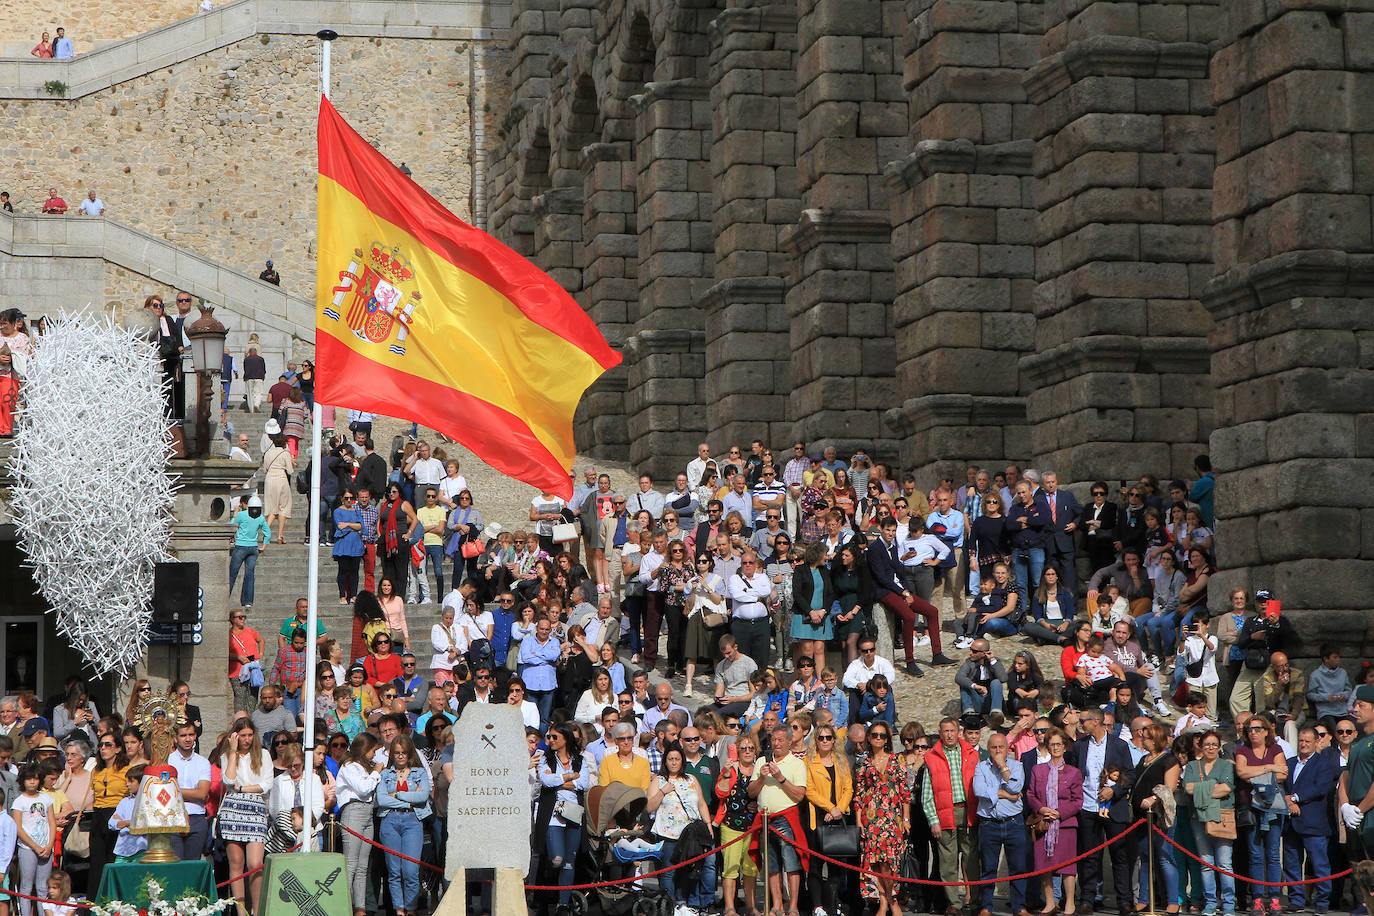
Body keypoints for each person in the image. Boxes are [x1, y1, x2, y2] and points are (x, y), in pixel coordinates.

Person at [1074, 707, 1137, 915]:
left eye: (1084, 720)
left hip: (1113, 808)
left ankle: (1124, 901)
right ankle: (1087, 899)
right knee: (1090, 856)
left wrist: (1115, 790)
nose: (1080, 724)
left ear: (1096, 722)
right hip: (1088, 807)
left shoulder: (1119, 745)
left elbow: (1130, 774)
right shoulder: (1080, 745)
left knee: (1119, 855)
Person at [646, 741, 714, 914]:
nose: (674, 762)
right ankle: (670, 905)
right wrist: (663, 791)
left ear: (682, 761)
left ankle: (685, 904)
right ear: (665, 761)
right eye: (670, 759)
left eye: (677, 758)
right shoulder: (659, 781)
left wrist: (708, 826)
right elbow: (649, 807)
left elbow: (701, 805)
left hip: (690, 834)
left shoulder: (692, 779)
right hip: (668, 834)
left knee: (689, 870)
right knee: (668, 872)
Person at [922, 717, 979, 915]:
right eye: (945, 731)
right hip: (945, 812)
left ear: (959, 732)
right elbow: (927, 795)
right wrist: (933, 821)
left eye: (952, 730)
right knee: (948, 862)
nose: (949, 734)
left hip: (968, 811)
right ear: (940, 733)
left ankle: (976, 899)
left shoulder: (972, 754)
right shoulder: (931, 757)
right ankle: (954, 902)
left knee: (972, 858)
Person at [749, 725, 808, 916]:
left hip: (785, 818)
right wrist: (762, 778)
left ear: (790, 741)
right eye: (774, 739)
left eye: (781, 740)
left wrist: (780, 778)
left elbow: (799, 795)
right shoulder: (761, 762)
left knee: (791, 864)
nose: (776, 743)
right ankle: (777, 905)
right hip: (765, 818)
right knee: (771, 865)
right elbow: (751, 792)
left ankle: (793, 906)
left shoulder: (796, 764)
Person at [1236, 713, 1289, 914]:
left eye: (1258, 729)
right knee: (1255, 854)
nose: (1254, 733)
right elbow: (1241, 773)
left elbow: (1283, 774)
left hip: (1272, 806)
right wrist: (1268, 767)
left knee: (1273, 854)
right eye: (1250, 729)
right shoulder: (1242, 750)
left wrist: (1255, 772)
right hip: (1249, 806)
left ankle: (1274, 898)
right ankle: (1258, 898)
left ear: (1266, 731)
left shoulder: (1276, 748)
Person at [855, 721, 909, 916]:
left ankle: (891, 901)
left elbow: (905, 792)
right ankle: (884, 902)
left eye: (882, 735)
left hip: (891, 817)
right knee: (875, 862)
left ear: (887, 739)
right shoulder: (864, 763)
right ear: (869, 738)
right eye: (875, 735)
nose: (878, 738)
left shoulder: (897, 760)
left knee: (888, 861)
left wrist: (906, 818)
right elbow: (859, 793)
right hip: (870, 818)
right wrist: (858, 820)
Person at [1028, 727, 1083, 916]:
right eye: (1052, 744)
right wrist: (1042, 810)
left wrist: (1059, 813)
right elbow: (1031, 794)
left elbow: (1078, 801)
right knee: (1045, 865)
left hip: (1065, 824)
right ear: (1047, 746)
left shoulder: (1073, 772)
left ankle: (1069, 903)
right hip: (1043, 823)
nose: (1056, 747)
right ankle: (1050, 902)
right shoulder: (1038, 770)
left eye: (1059, 744)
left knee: (1068, 866)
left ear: (1065, 746)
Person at [973, 732, 1029, 916]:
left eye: (1001, 747)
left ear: (1007, 748)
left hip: (1014, 823)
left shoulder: (1017, 765)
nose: (997, 751)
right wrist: (1004, 795)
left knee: (1018, 867)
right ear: (988, 749)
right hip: (990, 824)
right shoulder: (981, 768)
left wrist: (1003, 767)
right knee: (988, 867)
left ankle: (1019, 907)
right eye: (994, 747)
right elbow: (979, 790)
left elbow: (1015, 787)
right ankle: (986, 907)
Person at [1281, 726, 1335, 914]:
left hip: (1314, 823)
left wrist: (1295, 798)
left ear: (1316, 742)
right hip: (1291, 824)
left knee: (1319, 864)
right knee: (1292, 864)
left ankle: (1322, 902)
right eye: (1301, 741)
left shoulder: (1324, 764)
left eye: (1307, 741)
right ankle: (1296, 900)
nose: (1303, 744)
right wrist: (1288, 800)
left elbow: (1321, 788)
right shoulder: (1288, 763)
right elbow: (1281, 786)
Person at [803, 721, 852, 916]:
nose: (825, 741)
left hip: (838, 817)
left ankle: (832, 905)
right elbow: (810, 790)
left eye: (828, 738)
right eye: (821, 737)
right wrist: (830, 807)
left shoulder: (841, 760)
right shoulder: (809, 761)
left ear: (834, 740)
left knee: (836, 865)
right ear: (816, 740)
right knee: (815, 865)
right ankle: (817, 906)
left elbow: (848, 787)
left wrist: (839, 808)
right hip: (819, 817)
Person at [378, 736, 431, 916]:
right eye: (397, 753)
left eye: (404, 753)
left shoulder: (419, 773)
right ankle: (399, 910)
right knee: (394, 870)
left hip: (412, 821)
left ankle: (411, 908)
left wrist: (398, 795)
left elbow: (423, 797)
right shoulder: (385, 774)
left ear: (410, 754)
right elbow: (381, 799)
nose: (400, 756)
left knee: (411, 869)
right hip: (389, 821)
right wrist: (409, 799)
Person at [1130, 723, 1180, 915]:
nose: (1143, 739)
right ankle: (1144, 899)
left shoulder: (1169, 760)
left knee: (1165, 856)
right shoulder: (1144, 759)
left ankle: (1173, 900)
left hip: (1159, 815)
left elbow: (1169, 788)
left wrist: (1152, 799)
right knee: (1145, 857)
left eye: (1148, 737)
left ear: (1157, 739)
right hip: (1141, 817)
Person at [715, 733, 761, 916]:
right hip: (731, 824)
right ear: (738, 751)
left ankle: (751, 906)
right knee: (730, 868)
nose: (748, 752)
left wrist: (758, 804)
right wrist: (726, 774)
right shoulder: (732, 769)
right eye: (744, 748)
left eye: (751, 748)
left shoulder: (759, 769)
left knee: (750, 869)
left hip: (753, 826)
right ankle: (729, 907)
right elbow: (720, 793)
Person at [11, 764, 54, 916]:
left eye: (35, 779)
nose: (32, 782)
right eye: (29, 779)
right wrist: (35, 847)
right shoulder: (19, 801)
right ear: (23, 780)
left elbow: (52, 822)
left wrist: (49, 845)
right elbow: (18, 828)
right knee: (26, 887)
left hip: (46, 848)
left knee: (43, 887)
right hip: (27, 849)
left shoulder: (47, 798)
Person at [954, 639, 1006, 717]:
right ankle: (969, 712)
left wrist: (992, 660)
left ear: (983, 653)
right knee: (965, 684)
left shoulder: (994, 662)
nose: (970, 653)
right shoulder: (969, 663)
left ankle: (996, 713)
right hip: (977, 699)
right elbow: (959, 677)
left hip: (991, 700)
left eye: (974, 651)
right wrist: (975, 686)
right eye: (970, 650)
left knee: (996, 683)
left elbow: (1003, 678)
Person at [332, 491, 365, 603]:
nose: (349, 500)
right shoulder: (337, 511)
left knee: (354, 571)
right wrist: (354, 527)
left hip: (356, 545)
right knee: (343, 570)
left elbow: (362, 527)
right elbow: (340, 527)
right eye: (346, 498)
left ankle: (353, 595)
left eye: (351, 498)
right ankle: (342, 595)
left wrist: (348, 524)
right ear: (342, 498)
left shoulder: (357, 511)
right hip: (343, 545)